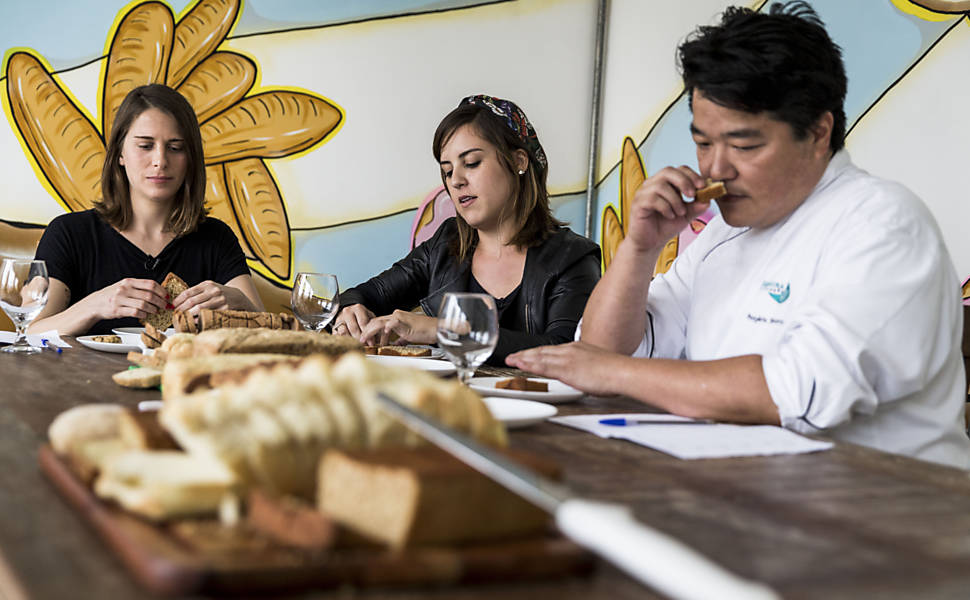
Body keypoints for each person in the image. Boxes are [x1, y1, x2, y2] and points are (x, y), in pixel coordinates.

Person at [507, 2, 970, 469]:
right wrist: (640, 248)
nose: (715, 168)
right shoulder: (724, 234)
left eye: (744, 145)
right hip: (746, 493)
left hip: (891, 513)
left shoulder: (882, 224)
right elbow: (603, 348)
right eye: (703, 142)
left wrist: (615, 373)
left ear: (818, 133)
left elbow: (794, 392)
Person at [333, 95, 601, 364]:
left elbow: (566, 351)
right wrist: (350, 311)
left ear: (519, 161)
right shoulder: (445, 244)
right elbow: (362, 295)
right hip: (448, 404)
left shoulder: (573, 257)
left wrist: (444, 330)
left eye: (471, 163)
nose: (456, 181)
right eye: (448, 171)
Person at [31, 84, 263, 335]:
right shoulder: (69, 233)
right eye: (145, 145)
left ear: (191, 158)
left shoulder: (215, 238)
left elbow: (271, 334)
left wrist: (242, 305)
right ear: (120, 153)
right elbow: (31, 331)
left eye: (175, 148)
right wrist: (96, 305)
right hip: (80, 376)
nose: (160, 161)